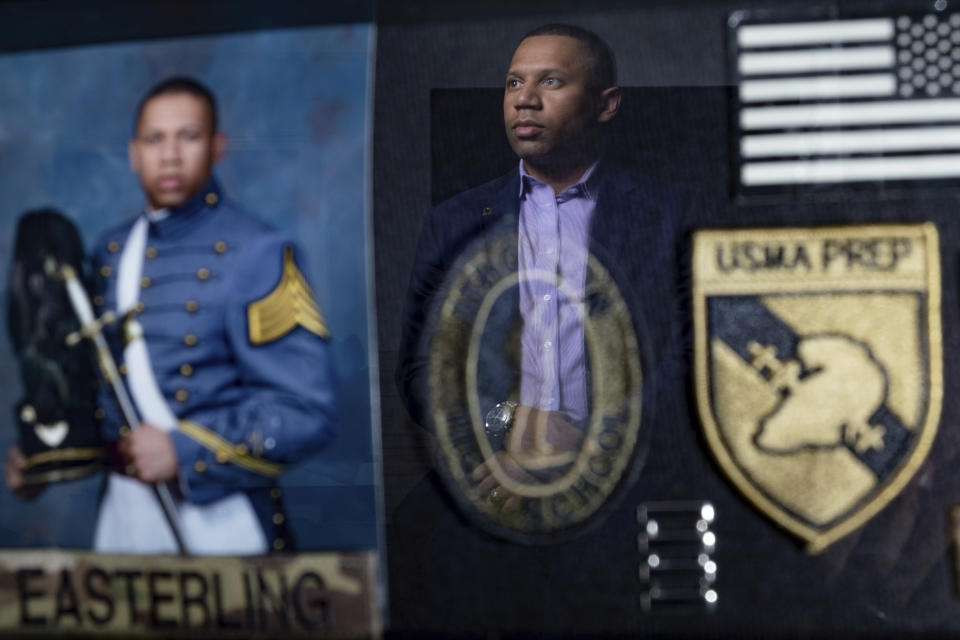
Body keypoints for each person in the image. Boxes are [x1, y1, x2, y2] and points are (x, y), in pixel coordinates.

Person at [6, 76, 339, 554]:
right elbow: (99, 402)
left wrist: (186, 452)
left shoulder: (260, 252)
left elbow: (307, 413)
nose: (169, 155)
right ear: (133, 152)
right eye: (154, 139)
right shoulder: (111, 252)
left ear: (217, 147)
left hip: (225, 523)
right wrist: (44, 461)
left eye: (189, 136)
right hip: (121, 522)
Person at [396, 25, 689, 509]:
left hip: (632, 483)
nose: (524, 100)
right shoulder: (455, 222)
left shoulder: (669, 215)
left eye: (551, 82)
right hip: (493, 475)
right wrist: (514, 423)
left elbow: (695, 357)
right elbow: (421, 369)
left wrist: (592, 442)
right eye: (514, 83)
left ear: (606, 104)